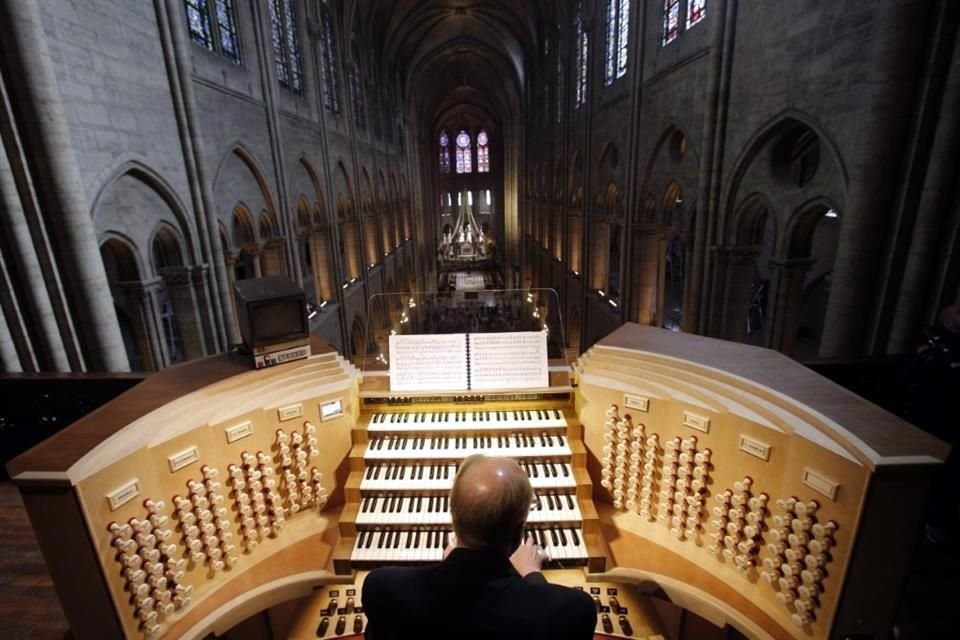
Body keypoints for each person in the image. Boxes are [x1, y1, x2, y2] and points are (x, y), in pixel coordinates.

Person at [362, 454, 597, 639]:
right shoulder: (574, 610)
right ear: (519, 533)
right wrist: (533, 576)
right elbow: (544, 610)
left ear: (453, 516)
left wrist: (451, 568)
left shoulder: (382, 587)